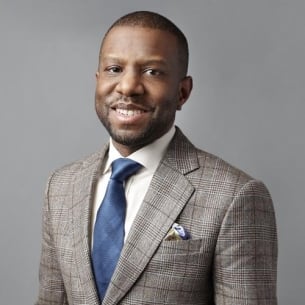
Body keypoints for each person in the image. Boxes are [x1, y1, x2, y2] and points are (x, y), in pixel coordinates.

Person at [36, 11, 278, 305]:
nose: (127, 87)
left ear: (182, 92)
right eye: (114, 68)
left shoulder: (235, 196)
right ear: (97, 80)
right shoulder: (61, 187)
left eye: (152, 71)